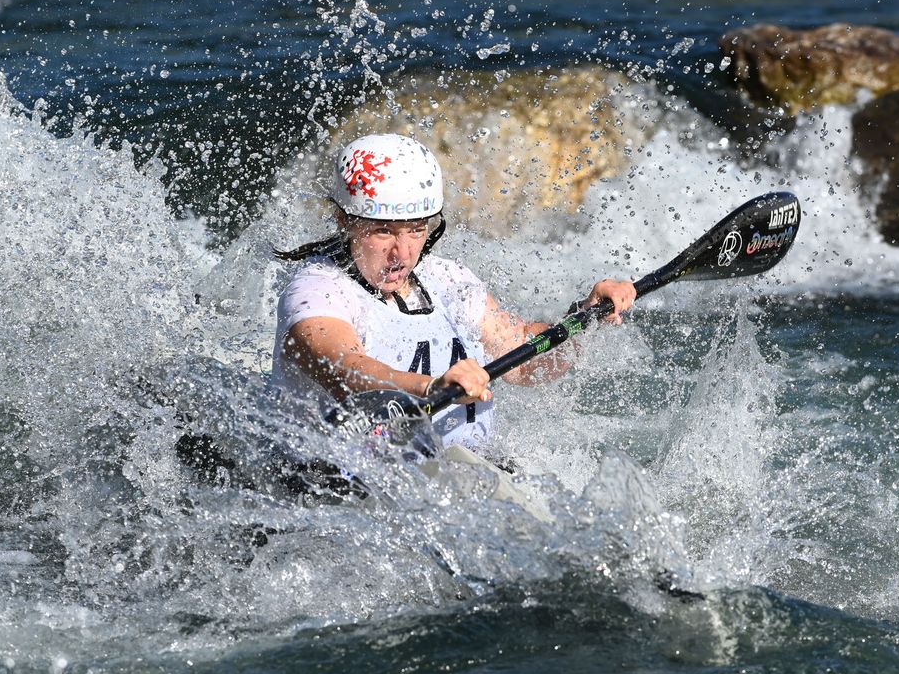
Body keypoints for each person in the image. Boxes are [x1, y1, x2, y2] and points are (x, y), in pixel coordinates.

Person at [271, 133, 636, 452]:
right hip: (355, 477)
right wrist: (431, 387)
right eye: (383, 232)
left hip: (464, 470)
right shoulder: (318, 289)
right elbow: (346, 369)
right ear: (344, 220)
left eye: (415, 230)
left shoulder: (449, 280)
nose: (401, 253)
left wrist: (584, 318)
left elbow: (527, 362)